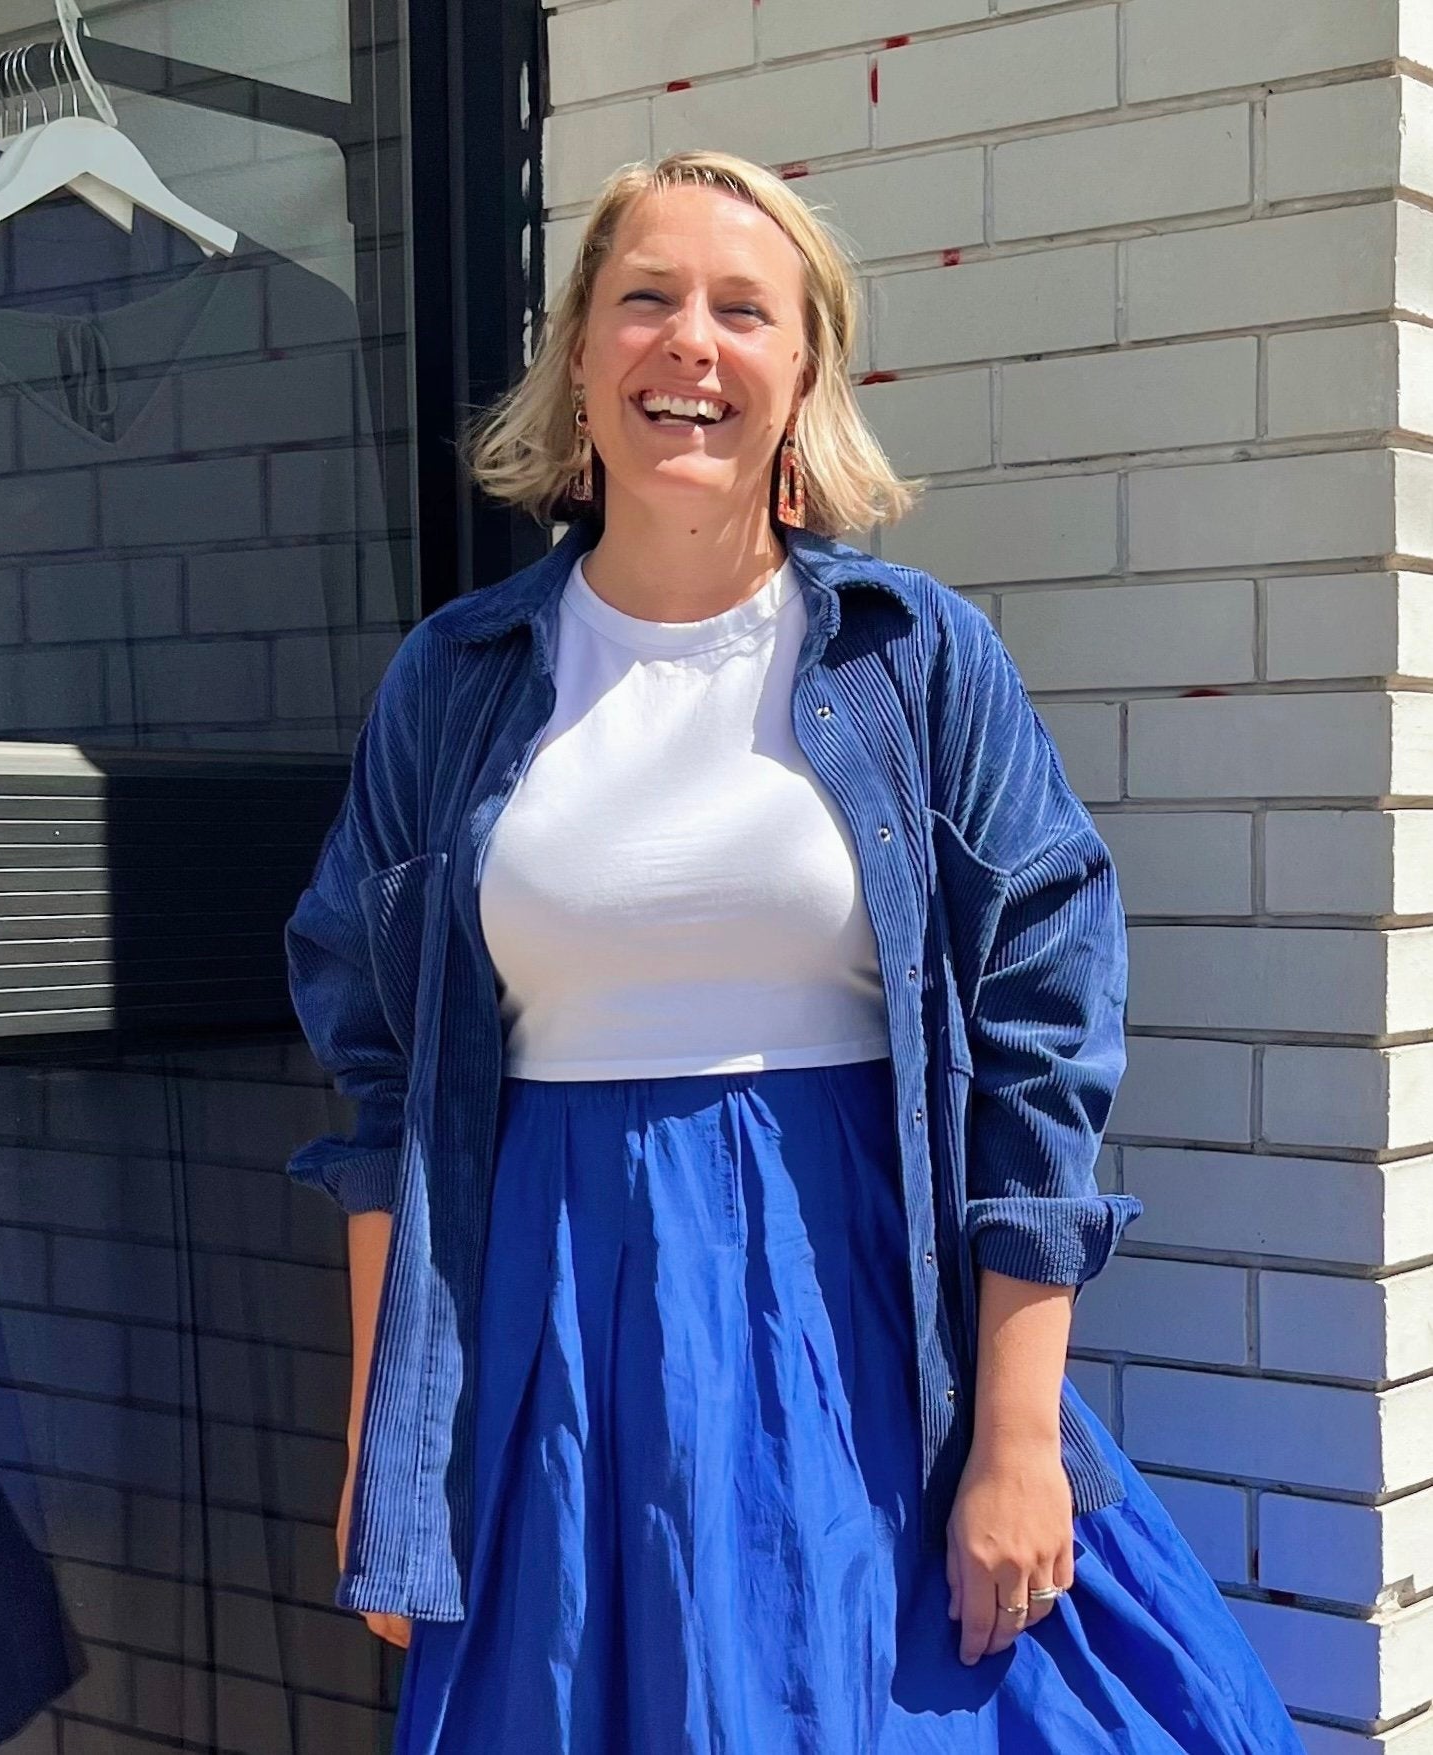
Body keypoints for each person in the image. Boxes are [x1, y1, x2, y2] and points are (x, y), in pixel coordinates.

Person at [284, 149, 1306, 1752]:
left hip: (855, 1330)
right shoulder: (455, 681)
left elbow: (1042, 1043)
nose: (690, 342)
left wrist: (1017, 1443)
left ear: (802, 371)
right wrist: (384, 1450)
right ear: (577, 356)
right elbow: (373, 1086)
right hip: (558, 1339)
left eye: (740, 311)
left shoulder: (913, 664)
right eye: (646, 299)